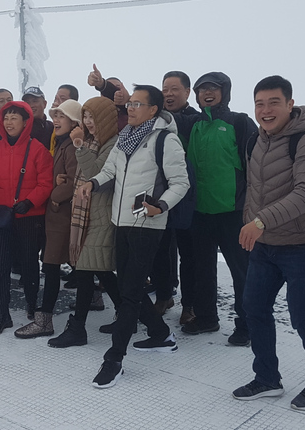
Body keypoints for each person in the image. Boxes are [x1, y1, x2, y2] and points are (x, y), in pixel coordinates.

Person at [232, 75, 305, 410]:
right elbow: (253, 188)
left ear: (290, 104)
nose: (266, 110)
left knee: (304, 317)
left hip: (303, 244)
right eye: (259, 103)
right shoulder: (256, 140)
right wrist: (251, 220)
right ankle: (267, 379)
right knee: (254, 308)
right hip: (266, 244)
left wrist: (260, 221)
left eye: (274, 102)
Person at [78, 85, 189, 389]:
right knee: (131, 288)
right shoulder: (126, 136)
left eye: (138, 104)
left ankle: (114, 359)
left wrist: (160, 206)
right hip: (121, 221)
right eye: (129, 103)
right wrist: (92, 183)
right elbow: (110, 170)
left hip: (146, 224)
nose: (131, 108)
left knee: (128, 294)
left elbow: (181, 183)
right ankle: (160, 335)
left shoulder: (166, 140)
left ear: (153, 110)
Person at [177, 72, 257, 346]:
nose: (206, 93)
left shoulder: (239, 122)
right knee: (202, 269)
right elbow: (158, 115)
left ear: (225, 92)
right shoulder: (192, 124)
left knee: (242, 272)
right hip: (200, 210)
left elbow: (255, 165)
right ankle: (207, 318)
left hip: (234, 212)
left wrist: (253, 207)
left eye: (212, 88)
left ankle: (247, 325)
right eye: (201, 90)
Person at [0, 101, 53, 336]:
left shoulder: (38, 149)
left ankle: (31, 303)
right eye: (6, 117)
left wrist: (31, 201)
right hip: (1, 215)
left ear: (26, 122)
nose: (9, 122)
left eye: (14, 117)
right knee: (0, 266)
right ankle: (2, 315)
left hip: (29, 215)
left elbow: (45, 183)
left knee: (29, 263)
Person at [48, 97, 122, 348]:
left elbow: (94, 174)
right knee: (100, 271)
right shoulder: (95, 141)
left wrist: (78, 146)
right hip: (90, 215)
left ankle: (77, 328)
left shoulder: (113, 144)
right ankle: (131, 317)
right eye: (86, 117)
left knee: (85, 270)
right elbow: (79, 174)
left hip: (102, 215)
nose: (89, 122)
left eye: (93, 117)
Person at [14, 99, 82, 338]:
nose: (56, 120)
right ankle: (95, 297)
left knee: (51, 266)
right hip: (57, 215)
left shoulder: (72, 146)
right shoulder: (62, 143)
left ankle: (44, 320)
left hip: (62, 214)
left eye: (62, 116)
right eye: (55, 116)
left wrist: (53, 194)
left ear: (74, 121)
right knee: (76, 264)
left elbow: (74, 182)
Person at [151, 71, 200, 320]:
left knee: (189, 254)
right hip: (161, 195)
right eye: (164, 89)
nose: (168, 94)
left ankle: (189, 305)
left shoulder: (195, 120)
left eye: (174, 89)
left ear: (187, 92)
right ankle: (163, 295)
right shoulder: (156, 120)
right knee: (160, 252)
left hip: (189, 198)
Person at [87, 64, 130, 131]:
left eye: (118, 88)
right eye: (111, 89)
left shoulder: (134, 110)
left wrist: (101, 84)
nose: (116, 92)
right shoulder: (93, 116)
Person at [21, 86, 53, 150]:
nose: (31, 105)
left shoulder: (52, 128)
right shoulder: (19, 127)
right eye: (27, 102)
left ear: (45, 103)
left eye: (35, 101)